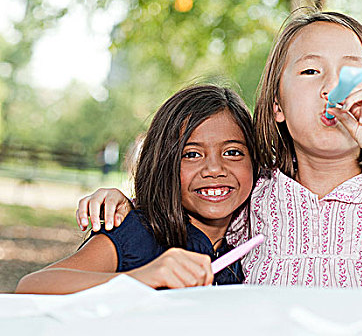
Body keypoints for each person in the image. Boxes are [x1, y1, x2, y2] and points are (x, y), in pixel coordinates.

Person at [74, 10, 362, 291]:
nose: (331, 86)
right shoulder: (255, 197)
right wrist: (125, 202)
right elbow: (187, 205)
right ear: (278, 106)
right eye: (310, 70)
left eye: (350, 72)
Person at [15, 85, 258, 294]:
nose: (214, 169)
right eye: (191, 154)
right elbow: (33, 286)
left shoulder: (255, 245)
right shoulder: (139, 230)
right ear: (163, 163)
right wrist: (144, 278)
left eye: (233, 152)